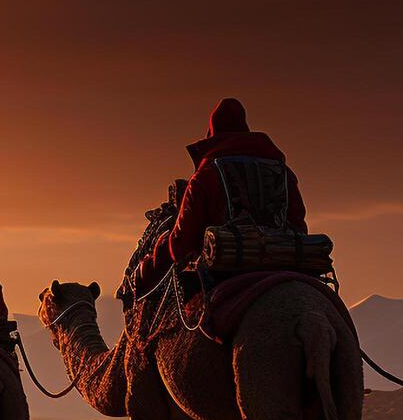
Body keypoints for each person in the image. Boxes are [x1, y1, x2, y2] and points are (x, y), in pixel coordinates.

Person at [132, 97, 308, 293]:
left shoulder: (206, 176)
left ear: (212, 132)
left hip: (224, 272)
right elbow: (298, 224)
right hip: (283, 263)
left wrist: (151, 264)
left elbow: (183, 242)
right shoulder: (283, 172)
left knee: (194, 313)